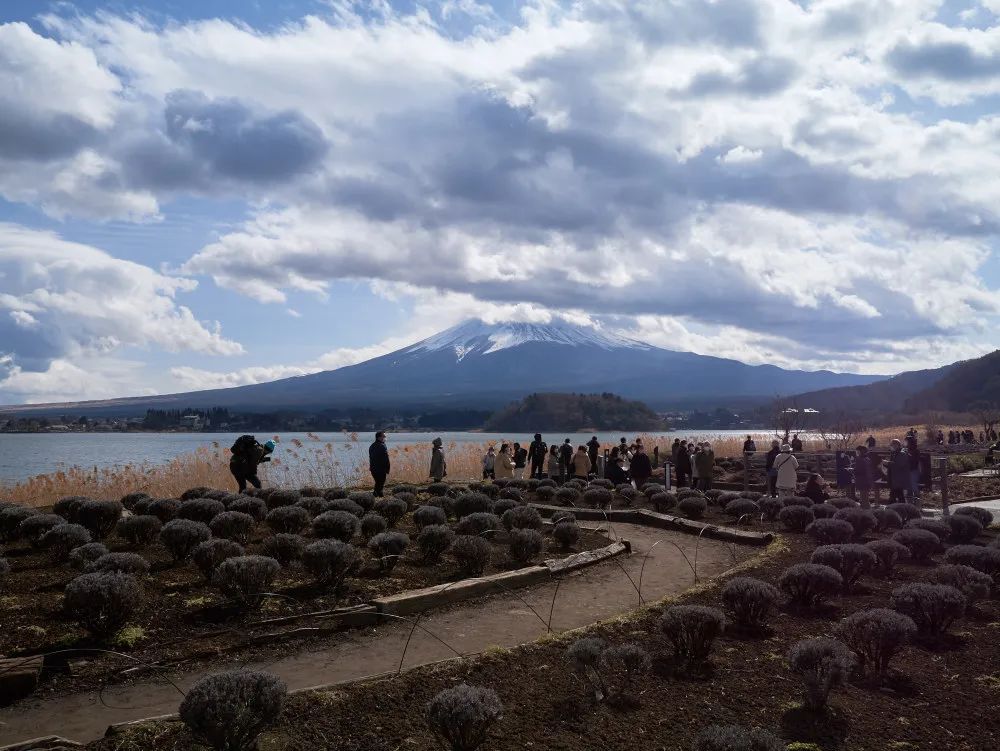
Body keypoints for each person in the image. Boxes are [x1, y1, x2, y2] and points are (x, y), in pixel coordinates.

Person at [887, 439, 909, 504]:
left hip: (898, 479)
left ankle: (892, 510)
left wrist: (888, 463)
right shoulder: (894, 453)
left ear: (896, 445)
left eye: (892, 445)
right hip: (894, 480)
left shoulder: (902, 454)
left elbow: (898, 465)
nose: (890, 446)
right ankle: (901, 510)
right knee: (899, 497)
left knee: (896, 497)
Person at [368, 431, 390, 497]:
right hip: (380, 469)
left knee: (378, 483)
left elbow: (371, 458)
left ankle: (379, 496)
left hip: (373, 469)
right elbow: (385, 458)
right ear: (379, 437)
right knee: (380, 484)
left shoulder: (372, 446)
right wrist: (387, 468)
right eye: (384, 436)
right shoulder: (382, 446)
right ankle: (376, 496)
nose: (385, 437)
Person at [905, 435, 920, 502]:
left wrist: (907, 454)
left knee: (913, 485)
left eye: (906, 441)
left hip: (913, 471)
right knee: (908, 486)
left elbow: (914, 461)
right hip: (907, 471)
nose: (905, 443)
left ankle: (917, 501)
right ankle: (910, 502)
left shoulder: (916, 451)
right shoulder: (905, 450)